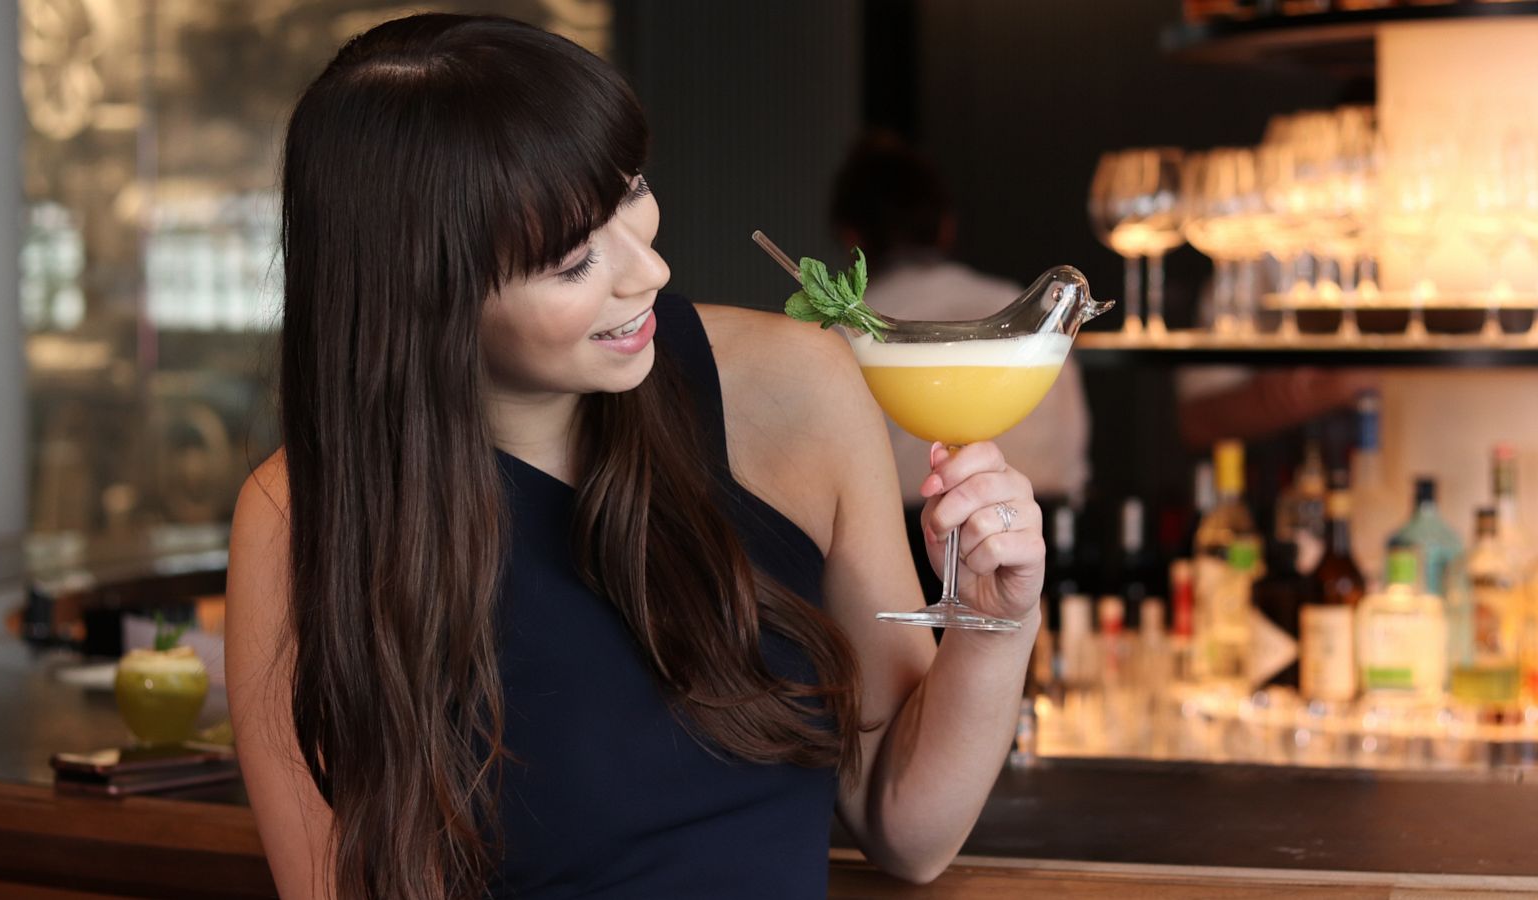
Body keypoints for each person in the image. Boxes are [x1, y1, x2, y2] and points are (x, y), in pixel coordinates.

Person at [225, 15, 1046, 900]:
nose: (646, 270)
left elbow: (906, 828)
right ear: (424, 295)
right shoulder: (301, 518)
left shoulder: (795, 386)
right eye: (574, 260)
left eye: (631, 192)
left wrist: (993, 622)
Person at [830, 132, 1090, 599]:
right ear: (946, 226)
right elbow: (1072, 462)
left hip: (892, 580)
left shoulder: (841, 333)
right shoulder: (1036, 325)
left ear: (850, 237)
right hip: (1050, 557)